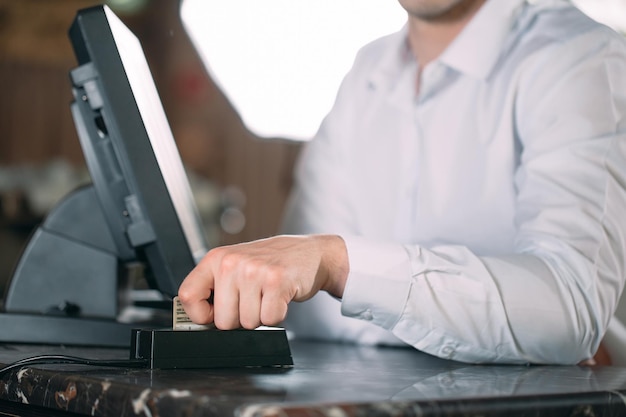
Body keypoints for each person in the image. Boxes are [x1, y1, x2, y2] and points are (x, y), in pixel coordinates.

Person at [178, 0, 626, 365]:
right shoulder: (366, 72)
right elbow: (308, 311)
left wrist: (338, 265)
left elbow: (568, 310)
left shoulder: (581, 56)